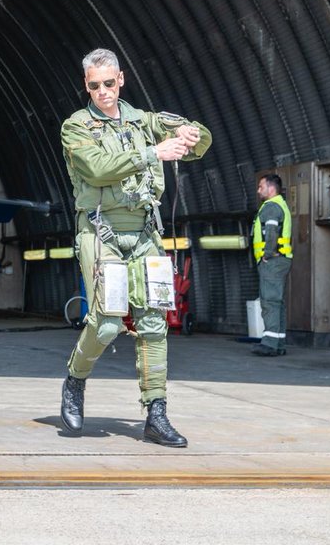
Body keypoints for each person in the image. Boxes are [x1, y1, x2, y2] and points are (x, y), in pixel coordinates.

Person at [58, 48, 212, 447]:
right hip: (100, 228)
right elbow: (98, 169)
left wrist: (189, 134)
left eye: (109, 83)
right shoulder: (75, 127)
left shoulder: (143, 121)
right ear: (86, 86)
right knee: (109, 321)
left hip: (144, 232)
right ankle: (75, 380)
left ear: (121, 79)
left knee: (154, 323)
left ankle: (156, 413)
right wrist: (152, 152)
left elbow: (200, 141)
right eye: (94, 86)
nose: (103, 92)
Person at [251, 174, 292, 356]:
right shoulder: (281, 204)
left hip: (272, 261)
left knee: (269, 302)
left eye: (261, 186)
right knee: (278, 302)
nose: (259, 190)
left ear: (271, 188)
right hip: (281, 259)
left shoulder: (271, 207)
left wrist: (267, 254)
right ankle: (279, 342)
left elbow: (271, 232)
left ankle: (269, 344)